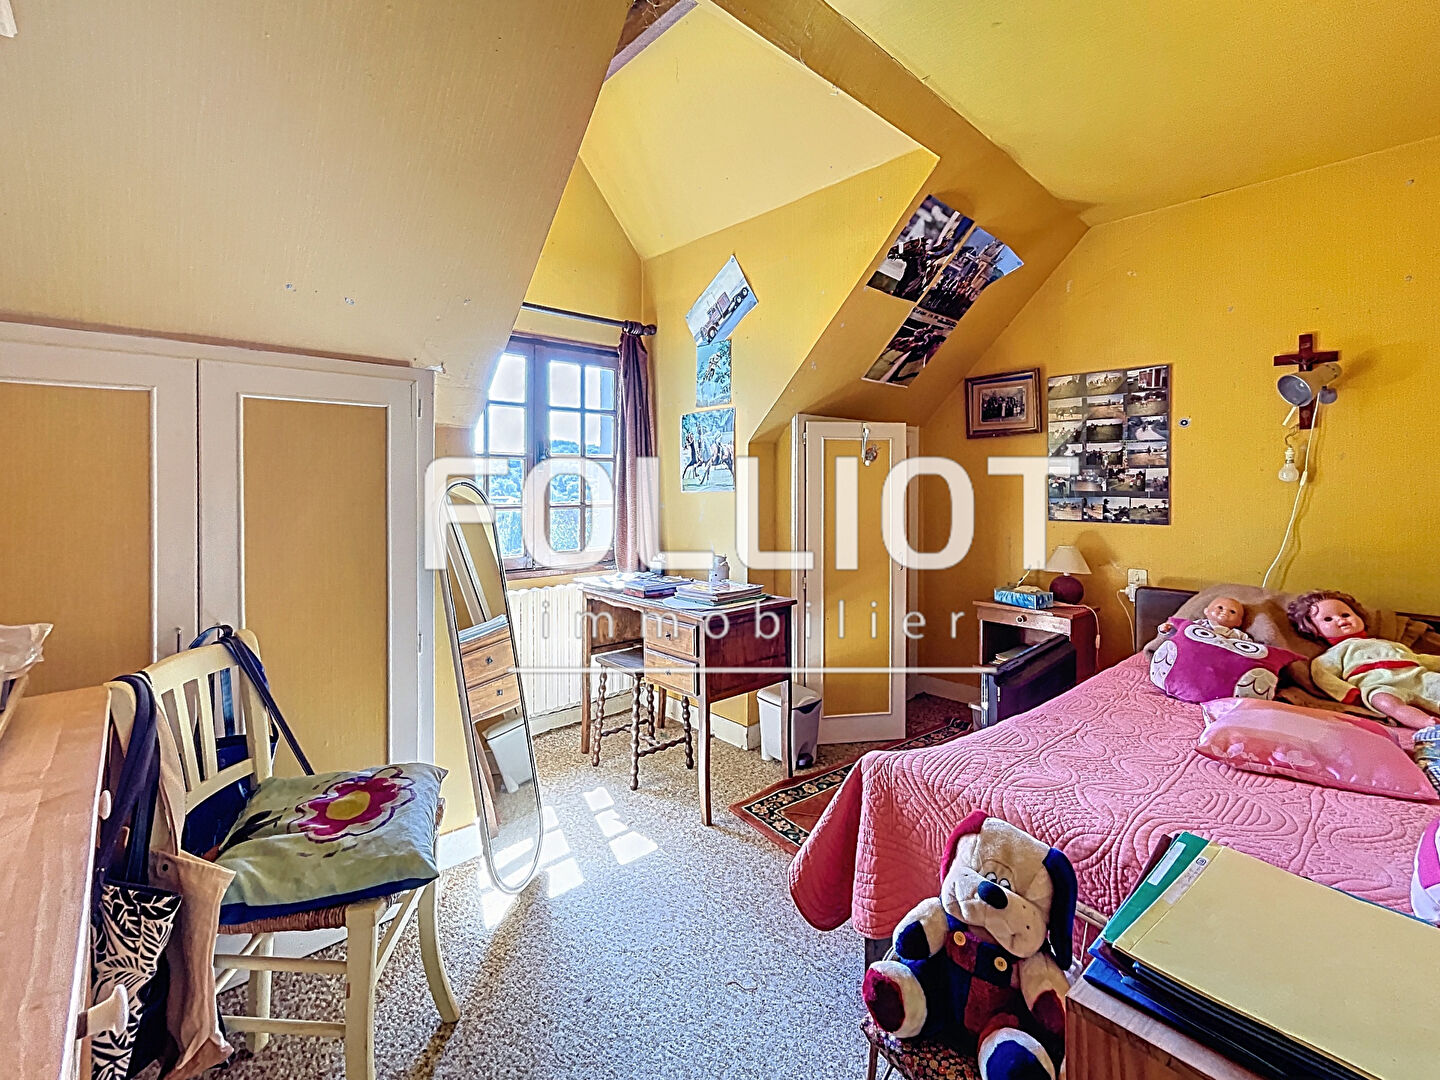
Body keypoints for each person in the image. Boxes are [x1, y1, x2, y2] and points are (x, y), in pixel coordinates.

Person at [1289, 590, 1440, 739]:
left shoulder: (1387, 643)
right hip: (1378, 685)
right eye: (1328, 619)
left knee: (1435, 683)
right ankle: (1428, 723)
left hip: (1416, 675)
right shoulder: (1332, 655)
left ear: (1359, 617)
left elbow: (1419, 659)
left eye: (1345, 615)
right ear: (1314, 630)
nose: (1340, 620)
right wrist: (1348, 693)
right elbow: (1323, 676)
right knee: (1386, 702)